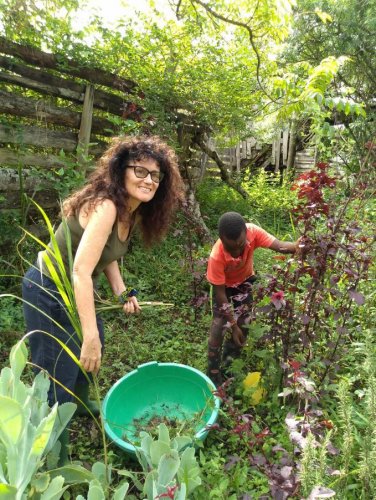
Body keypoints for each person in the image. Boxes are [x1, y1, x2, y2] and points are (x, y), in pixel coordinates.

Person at [22, 135, 184, 463]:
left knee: (95, 350)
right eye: (140, 171)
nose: (149, 180)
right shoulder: (107, 206)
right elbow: (81, 271)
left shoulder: (130, 212)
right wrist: (89, 337)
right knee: (59, 373)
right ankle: (54, 454)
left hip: (73, 290)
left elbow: (106, 254)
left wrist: (122, 291)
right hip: (49, 289)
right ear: (120, 170)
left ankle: (80, 404)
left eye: (156, 175)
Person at [206, 211, 300, 386]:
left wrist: (298, 247)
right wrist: (232, 327)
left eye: (240, 245)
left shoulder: (253, 232)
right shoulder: (216, 256)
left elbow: (280, 246)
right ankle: (212, 373)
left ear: (246, 234)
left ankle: (229, 366)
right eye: (230, 247)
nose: (236, 252)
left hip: (245, 281)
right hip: (224, 288)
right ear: (221, 239)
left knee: (245, 322)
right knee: (219, 325)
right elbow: (219, 294)